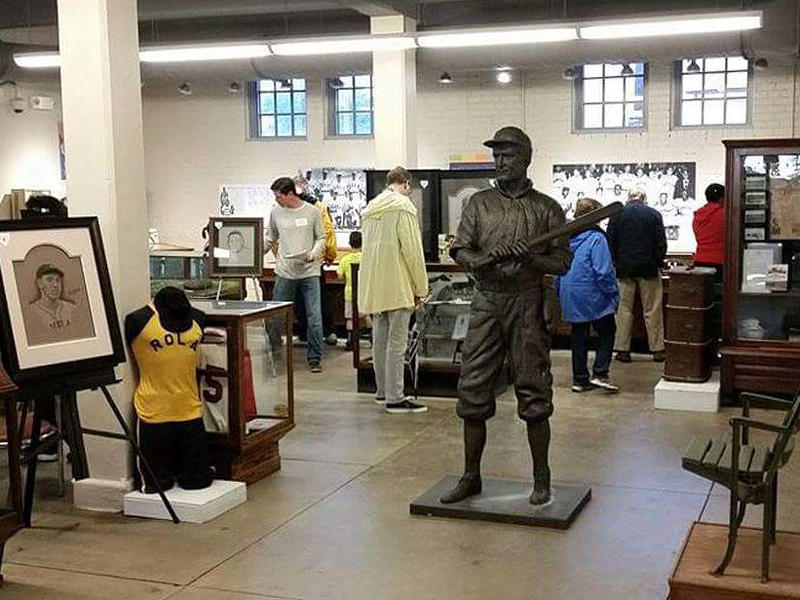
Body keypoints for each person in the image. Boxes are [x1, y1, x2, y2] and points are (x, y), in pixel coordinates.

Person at [440, 126, 572, 506]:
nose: (499, 162)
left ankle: (542, 478)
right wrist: (481, 259)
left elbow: (562, 262)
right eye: (496, 156)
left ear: (526, 158)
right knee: (473, 388)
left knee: (534, 389)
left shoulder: (547, 208)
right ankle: (471, 476)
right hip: (487, 303)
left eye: (508, 155)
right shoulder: (479, 204)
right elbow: (461, 250)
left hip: (527, 304)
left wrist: (532, 257)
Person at [125, 287, 214, 494]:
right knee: (156, 485)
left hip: (189, 410)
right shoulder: (139, 321)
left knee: (196, 480)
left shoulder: (198, 318)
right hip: (153, 412)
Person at [358, 166, 428, 414]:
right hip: (398, 283)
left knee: (380, 341)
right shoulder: (403, 206)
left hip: (374, 285)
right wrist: (421, 286)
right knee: (397, 344)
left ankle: (381, 391)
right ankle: (396, 397)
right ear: (406, 184)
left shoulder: (371, 207)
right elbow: (412, 250)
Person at [556, 198, 620, 393]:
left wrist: (560, 292)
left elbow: (558, 267)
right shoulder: (596, 238)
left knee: (579, 335)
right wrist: (612, 292)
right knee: (607, 330)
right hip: (592, 291)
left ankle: (580, 380)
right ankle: (600, 373)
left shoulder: (565, 237)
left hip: (570, 290)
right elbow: (603, 271)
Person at [266, 177, 326, 372]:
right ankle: (275, 352)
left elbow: (321, 238)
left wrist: (313, 254)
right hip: (285, 271)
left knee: (314, 316)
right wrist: (252, 254)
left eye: (279, 196)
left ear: (290, 194)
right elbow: (270, 238)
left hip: (310, 271)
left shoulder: (313, 211)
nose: (277, 200)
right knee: (275, 315)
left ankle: (315, 358)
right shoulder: (276, 212)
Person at [607, 190, 667, 363]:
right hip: (648, 268)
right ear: (644, 199)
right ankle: (657, 349)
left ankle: (622, 349)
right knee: (652, 310)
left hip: (624, 268)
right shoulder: (654, 214)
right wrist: (658, 262)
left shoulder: (616, 215)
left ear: (628, 198)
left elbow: (610, 242)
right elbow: (661, 243)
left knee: (623, 310)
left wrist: (615, 262)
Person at [293, 175, 338, 347]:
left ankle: (305, 333)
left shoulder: (287, 208)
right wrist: (330, 254)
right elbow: (328, 231)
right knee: (319, 298)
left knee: (302, 300)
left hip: (297, 263)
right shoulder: (319, 207)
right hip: (314, 261)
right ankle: (327, 331)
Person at [29, 264, 76, 336]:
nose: (55, 285)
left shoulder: (71, 308)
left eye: (58, 280)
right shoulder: (31, 312)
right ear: (39, 283)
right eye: (49, 280)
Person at [337, 231, 363, 351]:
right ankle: (372, 336)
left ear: (349, 243)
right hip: (363, 292)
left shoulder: (345, 259)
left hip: (349, 293)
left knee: (350, 317)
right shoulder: (365, 258)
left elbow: (340, 276)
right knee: (366, 315)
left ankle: (350, 340)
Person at [693, 183, 725, 276]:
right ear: (721, 199)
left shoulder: (698, 215)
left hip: (700, 260)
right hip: (719, 261)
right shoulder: (725, 214)